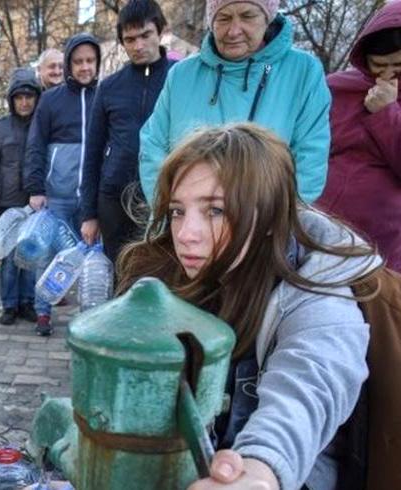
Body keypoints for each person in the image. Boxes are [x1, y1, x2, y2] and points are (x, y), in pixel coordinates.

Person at [115, 123, 380, 490]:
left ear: (269, 216)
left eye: (216, 211)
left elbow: (309, 388)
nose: (186, 233)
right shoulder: (163, 275)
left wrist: (258, 471)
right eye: (178, 211)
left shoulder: (320, 295)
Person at [139, 0, 331, 206]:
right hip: (188, 224)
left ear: (268, 18)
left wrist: (275, 223)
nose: (233, 31)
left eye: (247, 16)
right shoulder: (181, 75)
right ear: (211, 22)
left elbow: (309, 160)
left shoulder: (303, 71)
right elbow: (153, 147)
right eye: (224, 18)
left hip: (264, 227)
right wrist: (170, 210)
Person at [80, 0, 175, 263]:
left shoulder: (179, 78)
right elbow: (93, 151)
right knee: (120, 277)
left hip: (164, 196)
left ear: (161, 31)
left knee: (161, 275)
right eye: (130, 39)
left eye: (145, 35)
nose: (138, 46)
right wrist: (89, 213)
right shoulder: (110, 87)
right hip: (114, 199)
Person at [24, 33, 102, 336]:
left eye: (90, 61)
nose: (84, 67)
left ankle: (87, 319)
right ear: (69, 64)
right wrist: (36, 188)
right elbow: (35, 144)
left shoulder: (104, 95)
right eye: (78, 61)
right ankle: (43, 312)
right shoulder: (51, 99)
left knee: (91, 260)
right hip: (57, 195)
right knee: (48, 256)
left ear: (97, 63)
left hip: (91, 199)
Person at [316, 1, 401, 272]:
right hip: (315, 226)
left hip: (380, 246)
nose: (386, 76)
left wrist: (387, 112)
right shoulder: (337, 88)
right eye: (378, 66)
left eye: (398, 67)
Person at [0, 67, 42, 325]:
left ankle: (27, 302)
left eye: (29, 96)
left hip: (36, 204)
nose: (25, 102)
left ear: (36, 98)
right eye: (19, 97)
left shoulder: (43, 125)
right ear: (11, 100)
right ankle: (9, 304)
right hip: (7, 202)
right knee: (8, 259)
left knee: (30, 256)